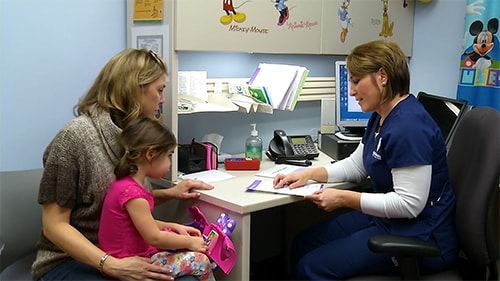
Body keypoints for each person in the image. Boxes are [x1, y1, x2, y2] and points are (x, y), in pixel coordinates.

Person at [273, 39, 458, 280]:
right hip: (388, 221)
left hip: (421, 234)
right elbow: (356, 165)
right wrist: (308, 174)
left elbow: (409, 204)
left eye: (356, 81)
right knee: (302, 243)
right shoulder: (381, 115)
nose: (351, 91)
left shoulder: (409, 127)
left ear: (382, 76)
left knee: (311, 267)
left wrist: (343, 198)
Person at [32, 48, 214, 281]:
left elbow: (123, 202)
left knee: (190, 276)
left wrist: (171, 194)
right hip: (70, 260)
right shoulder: (74, 138)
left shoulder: (135, 135)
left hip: (123, 250)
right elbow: (54, 225)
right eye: (159, 90)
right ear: (135, 90)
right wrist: (111, 265)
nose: (163, 99)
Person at [98, 117, 215, 281]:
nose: (169, 162)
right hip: (130, 264)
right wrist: (189, 243)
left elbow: (142, 223)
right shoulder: (133, 194)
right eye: (169, 155)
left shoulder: (124, 183)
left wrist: (174, 226)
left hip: (127, 255)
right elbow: (154, 237)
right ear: (151, 154)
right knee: (201, 260)